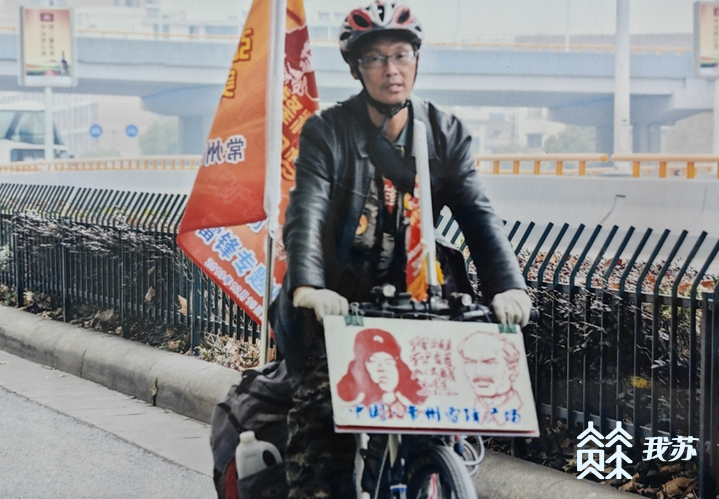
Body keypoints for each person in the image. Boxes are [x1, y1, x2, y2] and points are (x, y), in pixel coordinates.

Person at [269, 1, 533, 497]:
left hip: (418, 302)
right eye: (375, 58)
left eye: (401, 55)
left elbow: (478, 215)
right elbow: (307, 212)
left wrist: (508, 287)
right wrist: (309, 287)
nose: (391, 69)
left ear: (416, 60)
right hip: (338, 306)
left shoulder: (445, 133)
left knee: (441, 419)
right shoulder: (328, 131)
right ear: (356, 68)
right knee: (322, 431)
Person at [337, 328, 425, 417]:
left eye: (388, 362)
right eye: (373, 361)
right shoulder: (352, 415)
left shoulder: (417, 415)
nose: (382, 368)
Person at [457, 331, 523, 426]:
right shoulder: (459, 413)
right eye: (470, 362)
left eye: (489, 362)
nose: (478, 371)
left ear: (513, 370)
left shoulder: (526, 410)